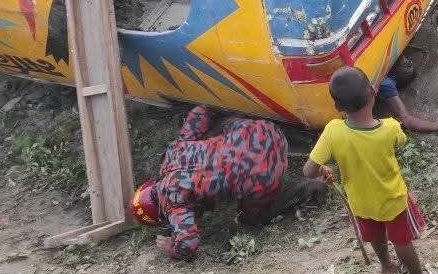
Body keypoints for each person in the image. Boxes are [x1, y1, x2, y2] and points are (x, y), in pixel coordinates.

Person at [129, 106, 327, 259]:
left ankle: (307, 188)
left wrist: (172, 248)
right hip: (265, 131)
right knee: (219, 129)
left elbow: (188, 245)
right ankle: (300, 136)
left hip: (265, 173)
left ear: (161, 216)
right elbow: (200, 113)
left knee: (250, 220)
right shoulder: (172, 153)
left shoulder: (171, 202)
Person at [303, 67, 435, 274]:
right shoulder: (390, 128)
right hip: (391, 199)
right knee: (401, 241)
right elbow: (401, 141)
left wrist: (322, 169)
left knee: (375, 236)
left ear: (338, 107)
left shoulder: (333, 131)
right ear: (373, 92)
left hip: (360, 202)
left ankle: (387, 267)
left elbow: (308, 171)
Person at [375, 62, 438, 134]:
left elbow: (407, 120)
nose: (410, 62)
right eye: (409, 65)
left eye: (408, 67)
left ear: (394, 78)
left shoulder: (387, 85)